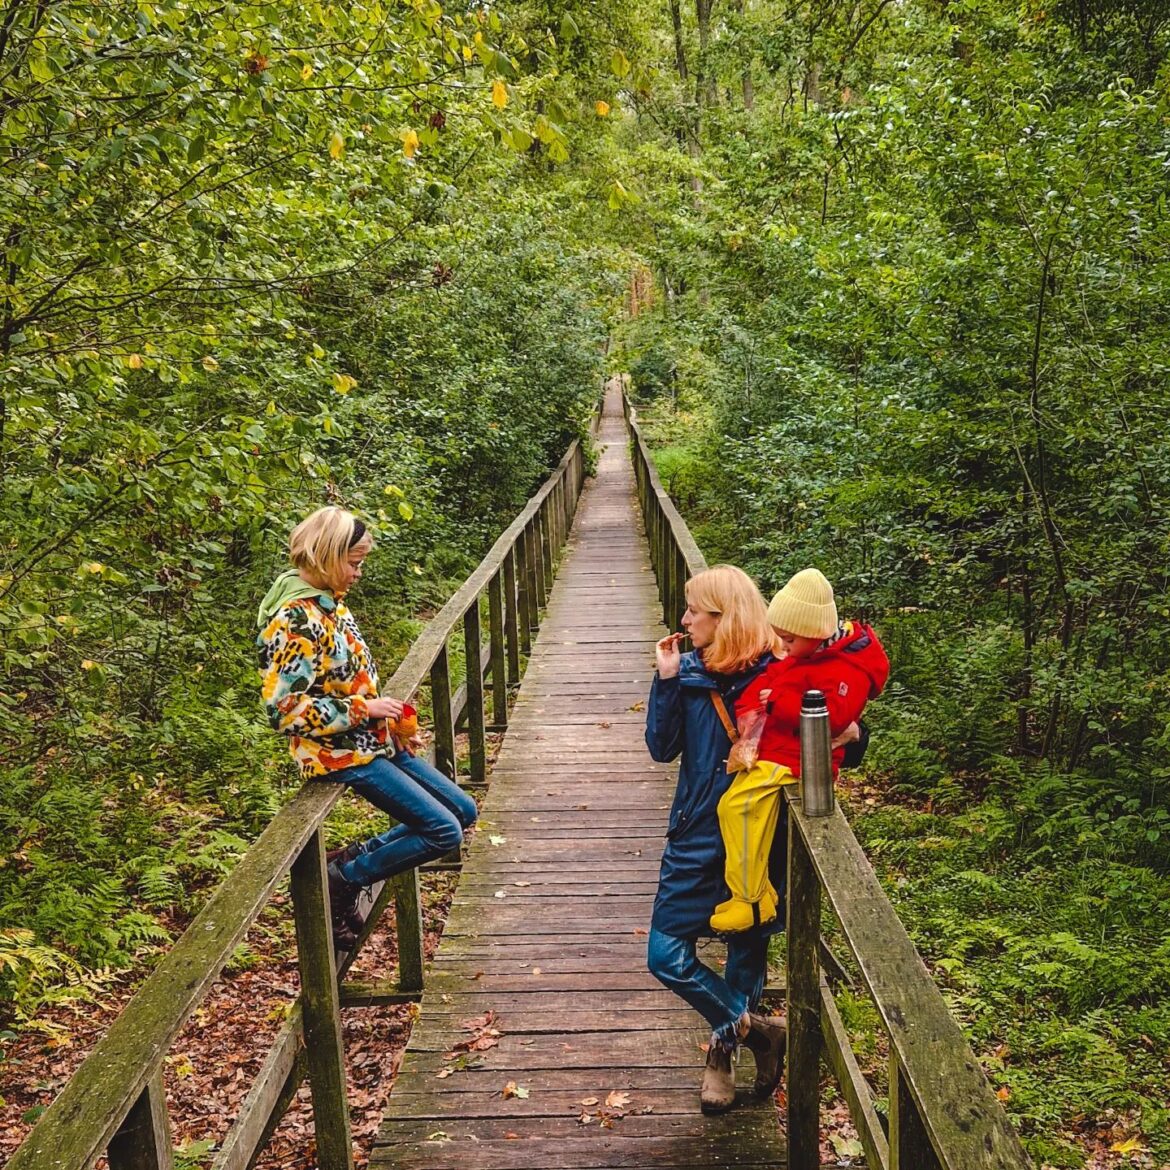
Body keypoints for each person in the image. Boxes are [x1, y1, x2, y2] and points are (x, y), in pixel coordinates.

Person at [257, 505, 477, 948]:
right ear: (325, 555)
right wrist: (365, 711)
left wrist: (394, 722)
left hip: (373, 742)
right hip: (337, 753)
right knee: (442, 831)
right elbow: (285, 710)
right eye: (354, 563)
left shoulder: (331, 605)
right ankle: (343, 878)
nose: (359, 573)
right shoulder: (294, 619)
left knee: (463, 811)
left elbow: (352, 678)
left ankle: (353, 859)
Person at [644, 564, 789, 1115]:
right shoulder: (683, 669)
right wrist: (663, 681)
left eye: (693, 610)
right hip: (696, 832)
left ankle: (722, 1055)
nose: (683, 620)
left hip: (755, 836)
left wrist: (853, 734)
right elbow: (661, 748)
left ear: (724, 618)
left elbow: (836, 719)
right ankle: (756, 1032)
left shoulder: (777, 671)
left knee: (745, 948)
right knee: (665, 954)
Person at [710, 567, 890, 934]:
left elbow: (835, 717)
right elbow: (778, 675)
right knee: (737, 809)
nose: (784, 647)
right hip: (779, 750)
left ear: (813, 632)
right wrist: (752, 702)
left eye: (789, 639)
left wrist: (775, 700)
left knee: (738, 806)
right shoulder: (811, 654)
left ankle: (751, 900)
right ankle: (751, 895)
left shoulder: (847, 668)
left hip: (796, 759)